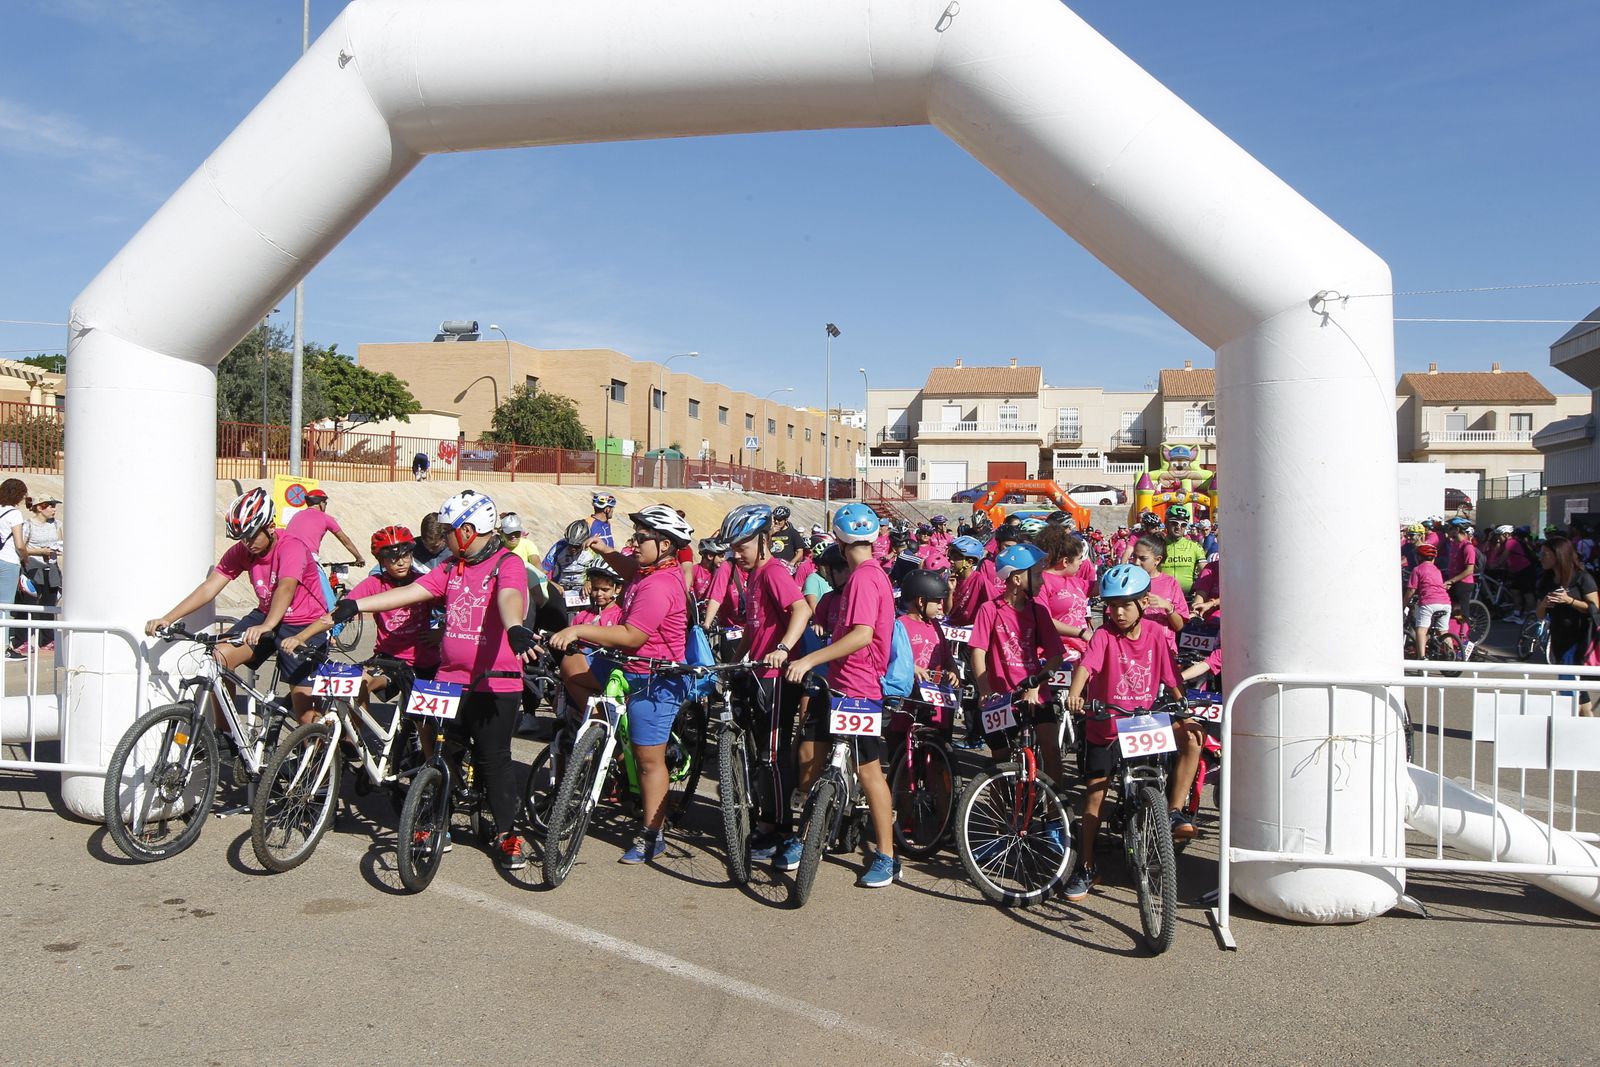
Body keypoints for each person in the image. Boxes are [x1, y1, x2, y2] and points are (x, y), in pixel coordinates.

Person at [329, 489, 535, 870]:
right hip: (446, 679)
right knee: (435, 755)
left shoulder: (506, 564)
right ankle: (435, 820)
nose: (442, 538)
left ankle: (508, 833)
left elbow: (509, 597)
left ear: (469, 530)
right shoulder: (451, 567)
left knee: (494, 761)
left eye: (449, 530)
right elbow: (410, 593)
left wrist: (516, 627)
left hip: (495, 682)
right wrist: (355, 604)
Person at [550, 504, 697, 864]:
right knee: (569, 663)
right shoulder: (647, 571)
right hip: (624, 666)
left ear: (664, 545)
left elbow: (631, 635)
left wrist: (579, 628)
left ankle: (652, 834)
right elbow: (629, 568)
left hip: (654, 677)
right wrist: (606, 551)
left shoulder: (660, 584)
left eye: (642, 538)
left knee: (649, 761)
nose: (635, 542)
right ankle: (605, 729)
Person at [781, 503, 902, 888]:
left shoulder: (866, 578)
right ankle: (807, 837)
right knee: (817, 758)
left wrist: (811, 658)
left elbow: (863, 634)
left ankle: (886, 855)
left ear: (838, 539)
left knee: (868, 772)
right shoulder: (867, 576)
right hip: (839, 682)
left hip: (860, 686)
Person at [1064, 563, 1196, 900]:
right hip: (1105, 726)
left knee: (1184, 747)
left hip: (1143, 723)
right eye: (1112, 606)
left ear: (1142, 603)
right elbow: (1086, 667)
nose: (1118, 612)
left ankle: (1172, 812)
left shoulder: (1155, 633)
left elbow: (1170, 675)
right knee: (1094, 796)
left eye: (1126, 604)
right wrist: (1076, 695)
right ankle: (1087, 865)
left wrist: (1183, 705)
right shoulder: (1104, 636)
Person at [143, 488, 328, 722]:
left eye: (252, 536)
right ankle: (227, 740)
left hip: (304, 624)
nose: (247, 543)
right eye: (242, 538)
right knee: (218, 659)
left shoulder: (291, 546)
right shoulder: (243, 551)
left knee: (306, 715)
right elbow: (209, 588)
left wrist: (267, 626)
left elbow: (286, 587)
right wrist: (168, 618)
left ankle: (326, 750)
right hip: (266, 616)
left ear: (270, 526)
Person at [284, 524, 440, 742]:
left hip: (424, 663)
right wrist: (301, 637)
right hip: (388, 660)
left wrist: (441, 633)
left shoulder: (424, 581)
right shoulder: (374, 584)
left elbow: (458, 609)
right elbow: (336, 613)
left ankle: (428, 769)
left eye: (405, 555)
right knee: (359, 684)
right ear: (382, 562)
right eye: (393, 558)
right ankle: (353, 743)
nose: (402, 561)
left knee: (426, 730)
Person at [719, 504, 813, 858]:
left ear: (762, 541)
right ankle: (766, 821)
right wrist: (734, 659)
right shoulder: (754, 575)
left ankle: (779, 829)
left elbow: (802, 610)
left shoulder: (773, 571)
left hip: (775, 676)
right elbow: (753, 626)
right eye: (733, 548)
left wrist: (783, 648)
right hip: (757, 673)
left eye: (741, 546)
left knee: (772, 756)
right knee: (762, 754)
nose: (735, 554)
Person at [970, 542, 1067, 781]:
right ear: (1015, 579)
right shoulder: (989, 609)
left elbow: (1056, 655)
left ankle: (1056, 813)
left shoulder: (1039, 611)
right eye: (1036, 575)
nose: (1042, 581)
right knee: (1000, 758)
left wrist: (1036, 685)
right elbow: (978, 651)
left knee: (1051, 749)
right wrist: (985, 690)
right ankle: (1002, 811)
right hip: (1001, 695)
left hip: (1036, 693)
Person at [1534, 535, 1600, 677]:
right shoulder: (1546, 580)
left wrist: (1569, 600)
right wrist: (1544, 604)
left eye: (1545, 554)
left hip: (1582, 638)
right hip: (1559, 638)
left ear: (1559, 555)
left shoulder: (1582, 578)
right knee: (1573, 690)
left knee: (1570, 688)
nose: (1541, 558)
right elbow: (1540, 615)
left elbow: (1595, 609)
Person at [1034, 524, 1093, 663]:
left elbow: (1101, 586)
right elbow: (1044, 620)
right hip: (1056, 653)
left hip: (1082, 650)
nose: (1082, 563)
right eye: (1079, 559)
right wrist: (1081, 633)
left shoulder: (1074, 581)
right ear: (1066, 561)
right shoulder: (1041, 582)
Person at [12, 495, 62, 655]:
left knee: (49, 604)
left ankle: (47, 640)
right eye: (51, 505)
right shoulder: (28, 525)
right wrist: (41, 551)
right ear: (40, 507)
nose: (54, 509)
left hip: (51, 568)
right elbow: (21, 547)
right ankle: (21, 641)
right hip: (32, 569)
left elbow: (61, 542)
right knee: (27, 604)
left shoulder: (57, 524)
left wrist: (57, 550)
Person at [284, 488, 366, 568]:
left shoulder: (296, 515)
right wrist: (359, 558)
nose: (325, 506)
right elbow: (345, 540)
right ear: (321, 503)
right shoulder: (326, 518)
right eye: (325, 503)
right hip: (307, 556)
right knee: (321, 581)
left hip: (286, 556)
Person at [1130, 536, 1189, 633]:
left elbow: (1179, 626)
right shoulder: (1127, 581)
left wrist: (1168, 607)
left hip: (1164, 646)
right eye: (1134, 557)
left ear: (1157, 560)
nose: (1136, 562)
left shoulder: (1170, 583)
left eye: (1143, 558)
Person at [1406, 543, 1451, 659]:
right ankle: (1451, 654)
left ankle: (1422, 658)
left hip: (1429, 603)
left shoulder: (1417, 569)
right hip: (1445, 603)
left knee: (1421, 630)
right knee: (1443, 631)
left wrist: (1403, 605)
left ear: (1418, 557)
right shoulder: (1437, 570)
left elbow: (1411, 590)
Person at [1158, 504, 1204, 593]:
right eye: (1174, 523)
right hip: (1162, 596)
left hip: (1188, 597)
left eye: (1183, 524)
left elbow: (1205, 571)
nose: (1178, 527)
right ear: (1166, 523)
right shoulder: (1157, 545)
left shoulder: (1194, 546)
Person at [543, 519, 599, 592]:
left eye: (577, 546)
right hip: (560, 590)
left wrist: (590, 581)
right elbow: (540, 573)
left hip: (583, 592)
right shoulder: (558, 548)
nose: (573, 549)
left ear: (586, 542)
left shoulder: (592, 550)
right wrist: (551, 584)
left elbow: (600, 573)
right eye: (570, 545)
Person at [1443, 520, 1479, 621]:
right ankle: (1456, 633)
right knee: (1454, 612)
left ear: (1457, 530)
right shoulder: (1454, 545)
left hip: (1463, 584)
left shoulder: (1467, 547)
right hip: (1454, 582)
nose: (1447, 531)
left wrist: (1451, 581)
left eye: (1450, 528)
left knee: (1462, 614)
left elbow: (1469, 570)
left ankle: (1464, 635)